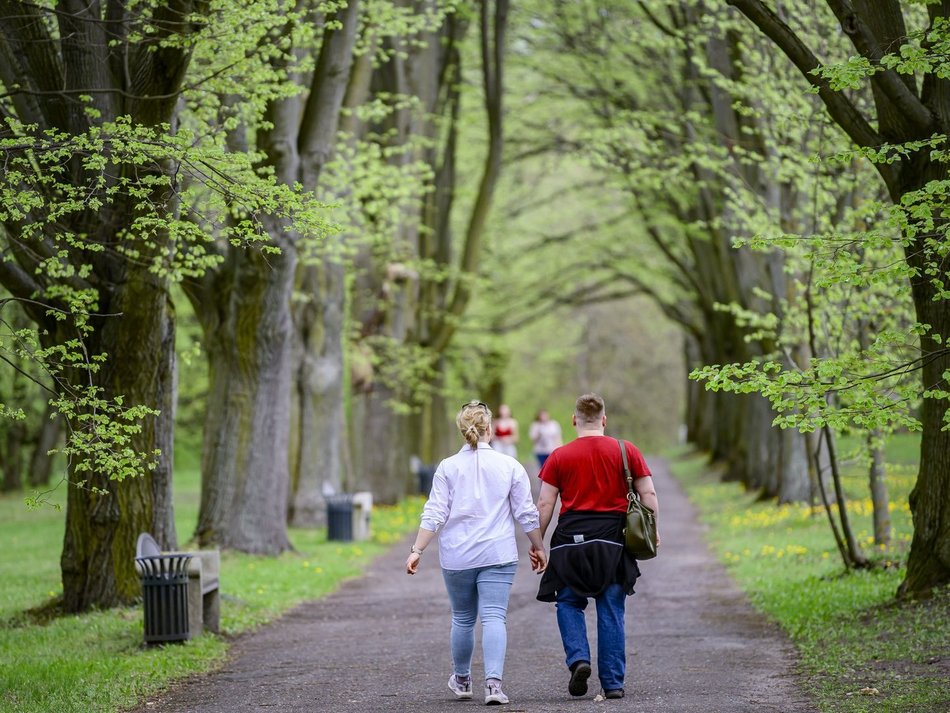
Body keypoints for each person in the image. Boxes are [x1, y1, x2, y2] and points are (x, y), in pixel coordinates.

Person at [406, 400, 548, 706]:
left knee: (462, 618)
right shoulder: (509, 466)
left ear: (462, 430)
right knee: (495, 616)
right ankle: (494, 686)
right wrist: (538, 546)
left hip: (458, 556)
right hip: (498, 552)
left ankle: (462, 680)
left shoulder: (448, 467)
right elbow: (526, 513)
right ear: (491, 428)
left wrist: (417, 549)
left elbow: (434, 513)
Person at [535, 393, 659, 700]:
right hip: (614, 541)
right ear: (604, 420)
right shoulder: (626, 450)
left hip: (570, 542)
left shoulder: (559, 455)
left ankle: (579, 659)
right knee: (611, 608)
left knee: (567, 602)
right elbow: (648, 493)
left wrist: (537, 542)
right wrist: (652, 529)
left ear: (573, 420)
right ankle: (613, 683)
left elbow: (545, 502)